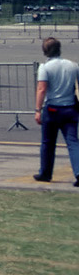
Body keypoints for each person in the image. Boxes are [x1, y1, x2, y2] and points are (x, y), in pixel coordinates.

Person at [34, 37, 79, 186]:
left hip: (53, 108)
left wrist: (37, 110)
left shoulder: (45, 67)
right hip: (70, 108)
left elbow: (42, 89)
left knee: (48, 143)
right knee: (73, 142)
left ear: (45, 50)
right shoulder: (73, 65)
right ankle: (78, 172)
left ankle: (45, 173)